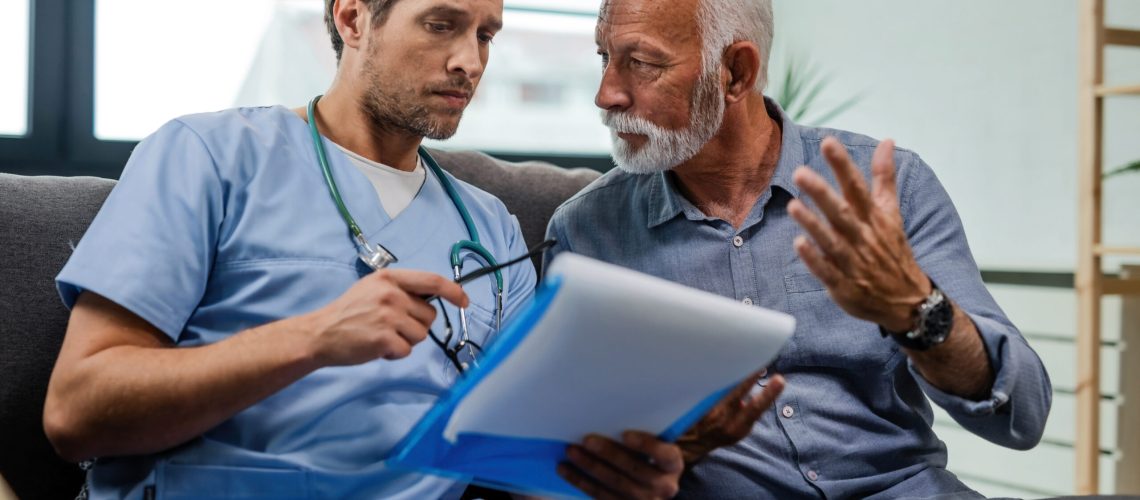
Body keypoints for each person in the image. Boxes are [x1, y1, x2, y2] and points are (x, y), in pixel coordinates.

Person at [43, 0, 784, 498]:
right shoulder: (210, 155)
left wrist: (643, 464)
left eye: (486, 35)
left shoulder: (489, 227)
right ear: (354, 15)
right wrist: (310, 339)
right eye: (441, 24)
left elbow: (520, 454)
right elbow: (77, 411)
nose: (470, 61)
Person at [545, 0, 1053, 498]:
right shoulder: (586, 233)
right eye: (604, 58)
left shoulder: (892, 185)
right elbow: (563, 449)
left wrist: (918, 309)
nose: (607, 94)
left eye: (641, 63)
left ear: (736, 72)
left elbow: (1022, 414)